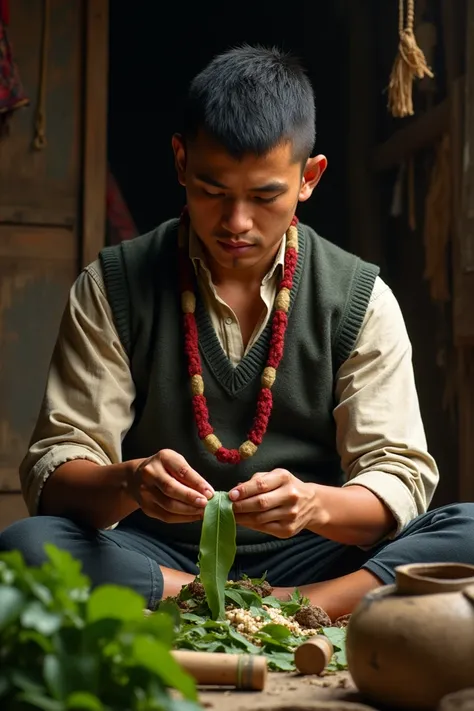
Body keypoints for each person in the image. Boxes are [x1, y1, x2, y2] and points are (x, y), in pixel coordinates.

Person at [1, 45, 473, 620]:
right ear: (180, 163)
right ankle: (267, 609)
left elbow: (397, 476)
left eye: (265, 195)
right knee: (28, 548)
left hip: (318, 561)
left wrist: (314, 506)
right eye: (213, 190)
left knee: (467, 530)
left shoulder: (359, 298)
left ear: (309, 178)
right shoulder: (113, 287)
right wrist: (130, 483)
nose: (237, 223)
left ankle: (283, 605)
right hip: (160, 555)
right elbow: (56, 474)